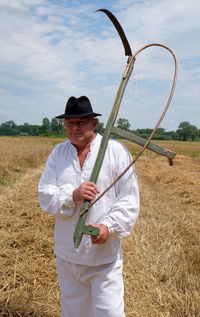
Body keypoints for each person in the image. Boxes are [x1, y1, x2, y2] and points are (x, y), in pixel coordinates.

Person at [38, 96, 139, 317]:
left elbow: (129, 199)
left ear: (94, 123)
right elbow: (44, 194)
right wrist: (73, 194)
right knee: (74, 312)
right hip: (68, 255)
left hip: (103, 259)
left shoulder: (115, 151)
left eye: (81, 122)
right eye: (70, 123)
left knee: (109, 313)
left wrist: (108, 227)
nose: (75, 128)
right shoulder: (58, 153)